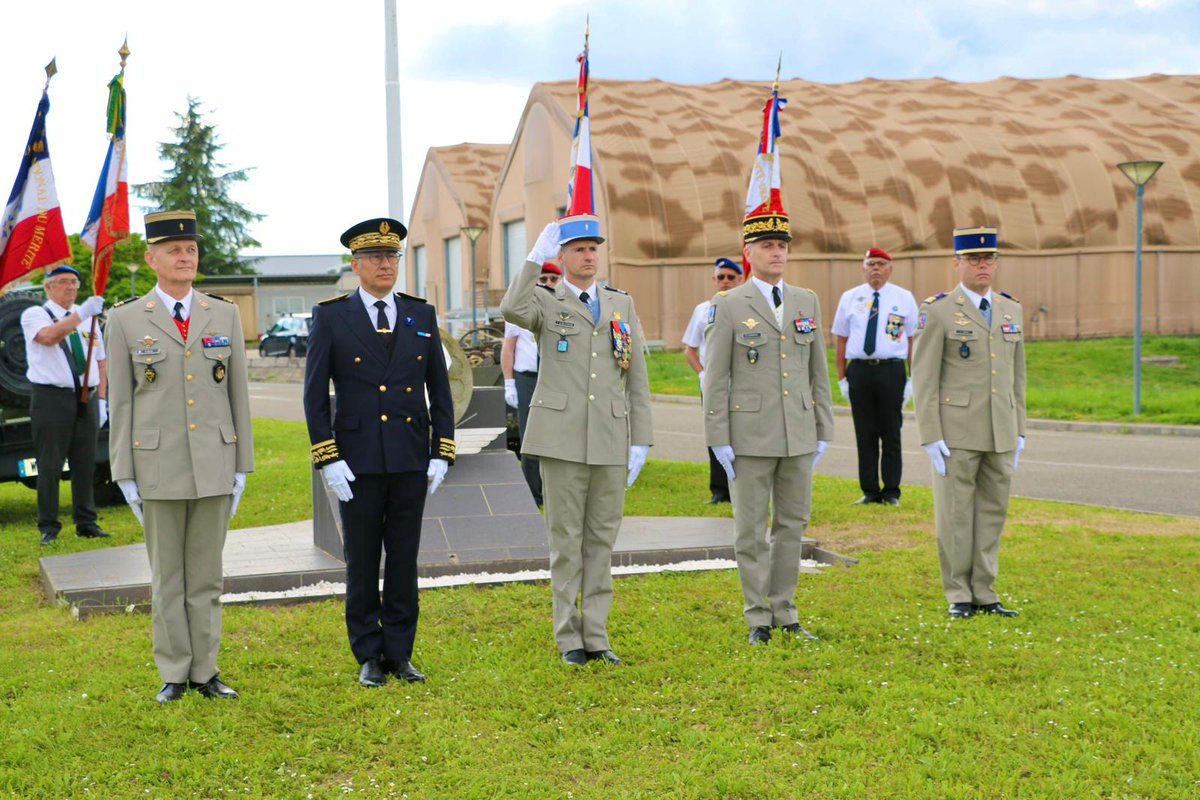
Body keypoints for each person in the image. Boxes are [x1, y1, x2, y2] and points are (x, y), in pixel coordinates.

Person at [106, 210, 254, 703]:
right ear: (152, 259)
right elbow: (121, 402)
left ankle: (205, 672)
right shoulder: (126, 319)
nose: (185, 257)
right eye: (174, 250)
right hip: (158, 465)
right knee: (167, 577)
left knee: (207, 576)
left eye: (191, 249)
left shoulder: (222, 314)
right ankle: (174, 671)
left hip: (215, 461)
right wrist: (124, 473)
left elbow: (237, 394)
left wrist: (242, 465)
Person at [303, 217, 455, 688]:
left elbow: (439, 388)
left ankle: (400, 653)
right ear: (356, 265)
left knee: (405, 559)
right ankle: (369, 653)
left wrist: (442, 450)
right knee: (363, 560)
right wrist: (328, 458)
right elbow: (314, 395)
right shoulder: (332, 316)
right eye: (374, 257)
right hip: (358, 461)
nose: (385, 264)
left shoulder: (420, 315)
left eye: (392, 256)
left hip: (409, 457)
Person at [500, 214, 652, 667]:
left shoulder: (620, 303)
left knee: (601, 540)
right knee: (566, 541)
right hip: (561, 438)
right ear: (562, 256)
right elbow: (511, 309)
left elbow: (636, 375)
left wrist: (640, 438)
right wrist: (533, 258)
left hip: (609, 434)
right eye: (578, 249)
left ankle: (598, 636)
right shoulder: (547, 301)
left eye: (593, 249)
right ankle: (570, 637)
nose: (588, 256)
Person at [703, 204, 834, 646]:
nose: (777, 253)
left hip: (797, 432)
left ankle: (786, 612)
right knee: (751, 529)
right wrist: (718, 436)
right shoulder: (728, 304)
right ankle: (758, 616)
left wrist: (823, 427)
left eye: (782, 245)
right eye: (767, 245)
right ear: (749, 252)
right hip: (749, 436)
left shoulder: (806, 300)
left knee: (792, 525)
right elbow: (715, 377)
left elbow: (818, 370)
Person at [912, 226, 1026, 620]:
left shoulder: (1011, 309)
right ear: (956, 263)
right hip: (956, 431)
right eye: (973, 258)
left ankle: (985, 591)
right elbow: (924, 378)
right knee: (956, 513)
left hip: (1001, 429)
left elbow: (1017, 375)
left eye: (989, 258)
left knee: (992, 512)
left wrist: (1020, 427)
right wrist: (930, 435)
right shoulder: (938, 311)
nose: (982, 265)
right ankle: (959, 592)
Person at [20, 265, 110, 546]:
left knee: (85, 461)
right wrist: (81, 315)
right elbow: (48, 337)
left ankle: (86, 521)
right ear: (48, 287)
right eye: (63, 282)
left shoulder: (87, 317)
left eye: (74, 282)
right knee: (50, 464)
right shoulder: (35, 314)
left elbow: (100, 361)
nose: (71, 287)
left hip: (87, 397)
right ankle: (49, 526)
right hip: (51, 398)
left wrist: (103, 400)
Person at [830, 247, 919, 506]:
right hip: (860, 370)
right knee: (864, 432)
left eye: (880, 264)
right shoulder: (850, 298)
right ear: (863, 268)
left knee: (891, 433)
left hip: (891, 370)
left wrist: (912, 379)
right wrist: (842, 378)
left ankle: (891, 491)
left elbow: (912, 341)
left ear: (890, 269)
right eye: (871, 264)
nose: (875, 269)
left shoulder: (904, 298)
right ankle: (870, 490)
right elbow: (841, 340)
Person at [681, 257, 743, 505]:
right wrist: (702, 374)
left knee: (743, 435)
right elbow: (690, 349)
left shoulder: (748, 308)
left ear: (740, 279)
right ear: (714, 280)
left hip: (742, 384)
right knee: (716, 435)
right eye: (721, 277)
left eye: (731, 277)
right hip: (713, 385)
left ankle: (742, 487)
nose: (726, 281)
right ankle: (720, 490)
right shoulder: (703, 310)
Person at [501, 261, 562, 508]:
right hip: (527, 378)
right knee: (531, 435)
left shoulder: (563, 306)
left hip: (555, 377)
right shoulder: (521, 307)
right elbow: (509, 347)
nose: (548, 283)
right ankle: (533, 496)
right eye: (543, 279)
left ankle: (555, 491)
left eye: (553, 279)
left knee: (558, 434)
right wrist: (509, 382)